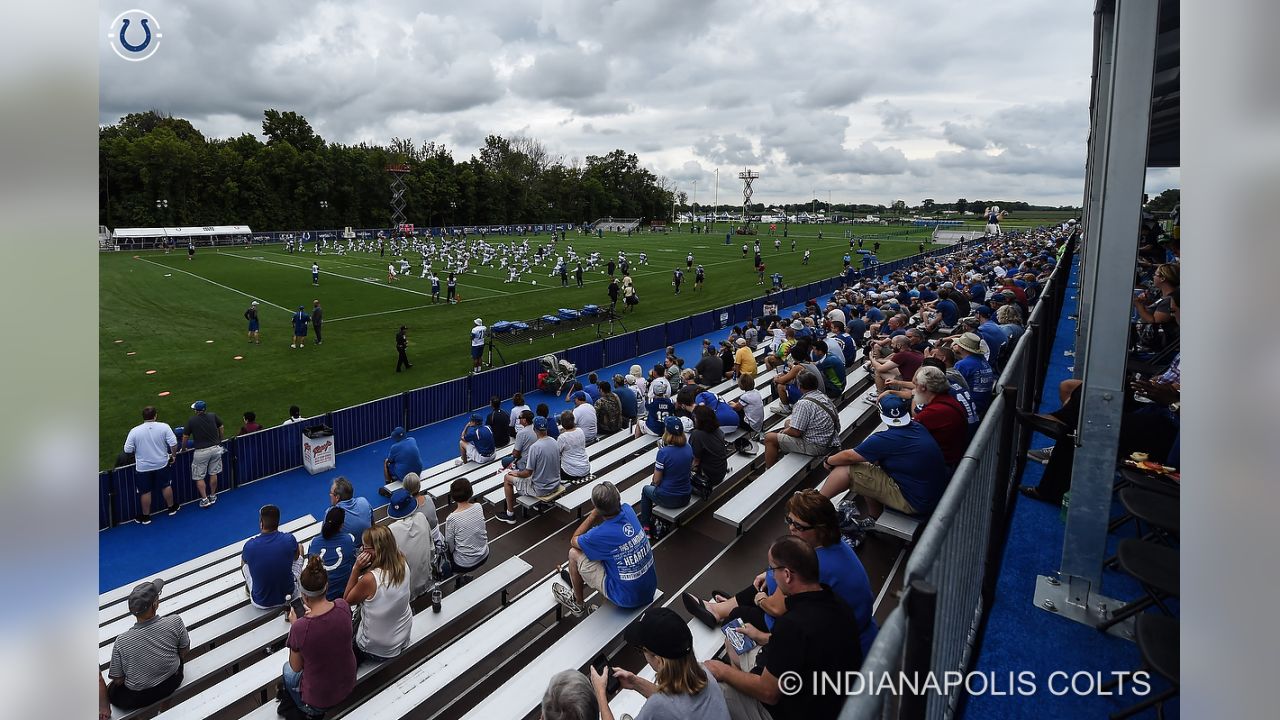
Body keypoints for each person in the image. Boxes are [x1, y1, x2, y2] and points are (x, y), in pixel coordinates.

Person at [685, 490, 878, 659]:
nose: (791, 528)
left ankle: (728, 621)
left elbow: (777, 608)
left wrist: (760, 600)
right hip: (847, 624)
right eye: (789, 521)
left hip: (835, 641)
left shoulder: (818, 565)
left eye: (799, 526)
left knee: (739, 614)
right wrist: (768, 575)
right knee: (768, 579)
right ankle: (721, 608)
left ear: (820, 529)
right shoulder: (832, 546)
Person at [703, 536, 862, 720]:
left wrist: (722, 671)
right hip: (834, 699)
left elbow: (768, 693)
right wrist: (762, 636)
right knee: (733, 641)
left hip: (790, 709)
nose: (771, 575)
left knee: (711, 690)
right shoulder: (839, 604)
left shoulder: (792, 625)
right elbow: (809, 647)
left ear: (787, 575)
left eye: (772, 569)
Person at [818, 395, 950, 520]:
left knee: (846, 469)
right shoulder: (918, 427)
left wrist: (828, 461)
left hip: (915, 502)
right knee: (865, 472)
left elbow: (848, 457)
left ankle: (812, 505)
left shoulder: (884, 439)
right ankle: (873, 518)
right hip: (930, 494)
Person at [590, 607, 731, 720]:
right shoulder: (703, 673)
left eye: (642, 650)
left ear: (659, 660)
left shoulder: (656, 707)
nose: (642, 654)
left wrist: (600, 693)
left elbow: (665, 704)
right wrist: (635, 682)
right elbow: (672, 703)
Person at [553, 481, 658, 616]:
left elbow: (574, 540)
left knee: (574, 553)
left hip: (627, 598)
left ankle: (578, 604)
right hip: (649, 589)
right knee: (608, 557)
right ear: (618, 499)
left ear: (596, 507)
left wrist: (592, 515)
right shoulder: (628, 510)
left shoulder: (599, 534)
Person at [281, 556, 356, 718]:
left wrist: (295, 626)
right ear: (326, 587)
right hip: (348, 683)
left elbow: (295, 667)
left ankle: (304, 709)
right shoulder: (343, 606)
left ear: (303, 595)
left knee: (286, 670)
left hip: (319, 700)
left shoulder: (300, 628)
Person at [106, 579, 189, 710]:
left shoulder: (121, 641)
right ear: (155, 604)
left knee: (110, 690)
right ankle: (164, 708)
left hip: (138, 697)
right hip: (172, 680)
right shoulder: (175, 621)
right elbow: (184, 651)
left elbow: (118, 679)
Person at [344, 525, 413, 663]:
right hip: (403, 633)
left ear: (375, 551)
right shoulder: (402, 561)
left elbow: (346, 600)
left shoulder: (370, 579)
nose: (362, 550)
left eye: (365, 547)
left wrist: (356, 568)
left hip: (377, 648)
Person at [495, 416, 563, 524]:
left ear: (534, 429)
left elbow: (527, 473)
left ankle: (510, 514)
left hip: (541, 489)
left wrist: (516, 473)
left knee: (507, 478)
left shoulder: (535, 447)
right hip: (555, 484)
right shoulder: (554, 442)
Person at [763, 372, 839, 468]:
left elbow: (796, 432)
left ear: (800, 386)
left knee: (769, 438)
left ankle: (769, 471)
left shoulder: (803, 403)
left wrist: (783, 432)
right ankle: (783, 451)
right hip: (829, 438)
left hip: (817, 446)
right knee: (788, 423)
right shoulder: (823, 396)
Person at [122, 406, 178, 524]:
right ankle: (171, 508)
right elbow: (173, 443)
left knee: (145, 491)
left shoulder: (135, 431)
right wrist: (173, 456)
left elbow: (127, 450)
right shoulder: (164, 427)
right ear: (155, 415)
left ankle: (146, 517)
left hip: (143, 467)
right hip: (161, 464)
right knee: (166, 485)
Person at [638, 416, 694, 532]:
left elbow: (656, 480)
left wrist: (654, 484)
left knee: (645, 490)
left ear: (667, 432)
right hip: (686, 495)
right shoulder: (688, 448)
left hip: (669, 498)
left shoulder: (663, 453)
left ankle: (645, 526)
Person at [241, 504, 302, 609]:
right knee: (300, 547)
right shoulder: (289, 539)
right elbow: (296, 558)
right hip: (289, 595)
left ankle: (249, 587)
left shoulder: (249, 545)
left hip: (260, 602)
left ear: (261, 523)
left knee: (244, 563)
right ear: (278, 522)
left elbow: (245, 563)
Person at [386, 489, 434, 600]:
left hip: (405, 591)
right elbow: (432, 548)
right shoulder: (421, 517)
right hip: (426, 579)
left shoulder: (390, 530)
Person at [444, 478, 490, 584]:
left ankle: (458, 581)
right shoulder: (478, 507)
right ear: (471, 493)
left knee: (445, 551)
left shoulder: (452, 519)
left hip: (465, 564)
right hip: (484, 554)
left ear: (453, 496)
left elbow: (449, 546)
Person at [307, 506, 357, 601]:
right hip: (344, 593)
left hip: (321, 596)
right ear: (342, 525)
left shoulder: (313, 542)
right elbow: (353, 563)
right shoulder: (349, 539)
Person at [183, 400, 224, 508]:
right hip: (215, 449)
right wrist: (220, 440)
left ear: (196, 410)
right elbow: (221, 427)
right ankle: (213, 495)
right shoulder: (213, 416)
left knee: (199, 476)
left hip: (201, 452)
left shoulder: (192, 420)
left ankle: (205, 499)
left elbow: (185, 436)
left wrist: (183, 448)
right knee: (213, 473)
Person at [951, 332, 995, 415]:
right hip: (983, 404)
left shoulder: (962, 365)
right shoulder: (982, 360)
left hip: (971, 406)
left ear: (961, 348)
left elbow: (951, 386)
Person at [690, 404, 730, 490]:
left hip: (709, 476)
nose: (694, 419)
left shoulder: (697, 434)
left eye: (696, 417)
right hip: (721, 471)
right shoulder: (718, 431)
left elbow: (695, 461)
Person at [329, 476, 372, 541]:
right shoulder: (364, 501)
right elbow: (372, 524)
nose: (330, 495)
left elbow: (326, 535)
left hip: (349, 549)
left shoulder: (331, 512)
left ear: (337, 497)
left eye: (331, 493)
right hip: (369, 542)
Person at [383, 426, 423, 492]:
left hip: (405, 477)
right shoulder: (412, 440)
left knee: (386, 462)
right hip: (418, 472)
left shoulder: (394, 447)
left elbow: (390, 460)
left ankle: (388, 486)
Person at [557, 411, 592, 484]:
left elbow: (556, 454)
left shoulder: (562, 437)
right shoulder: (580, 431)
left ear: (562, 423)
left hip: (571, 473)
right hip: (585, 468)